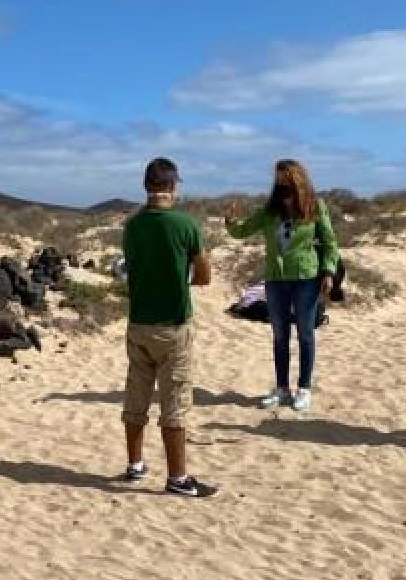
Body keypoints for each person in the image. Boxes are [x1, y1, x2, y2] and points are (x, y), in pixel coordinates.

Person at [120, 158, 216, 497]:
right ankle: (178, 477)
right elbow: (204, 277)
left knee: (136, 396)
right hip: (173, 324)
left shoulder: (131, 226)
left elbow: (129, 269)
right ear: (173, 185)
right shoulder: (186, 225)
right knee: (174, 401)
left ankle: (134, 464)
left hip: (139, 321)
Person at [224, 159, 338, 411]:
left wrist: (328, 272)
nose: (280, 183)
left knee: (306, 334)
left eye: (285, 178)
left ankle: (304, 389)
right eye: (278, 179)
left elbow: (330, 243)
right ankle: (282, 388)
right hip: (276, 279)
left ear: (298, 179)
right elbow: (242, 231)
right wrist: (230, 220)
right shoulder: (269, 211)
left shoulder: (315, 207)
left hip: (306, 278)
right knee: (279, 336)